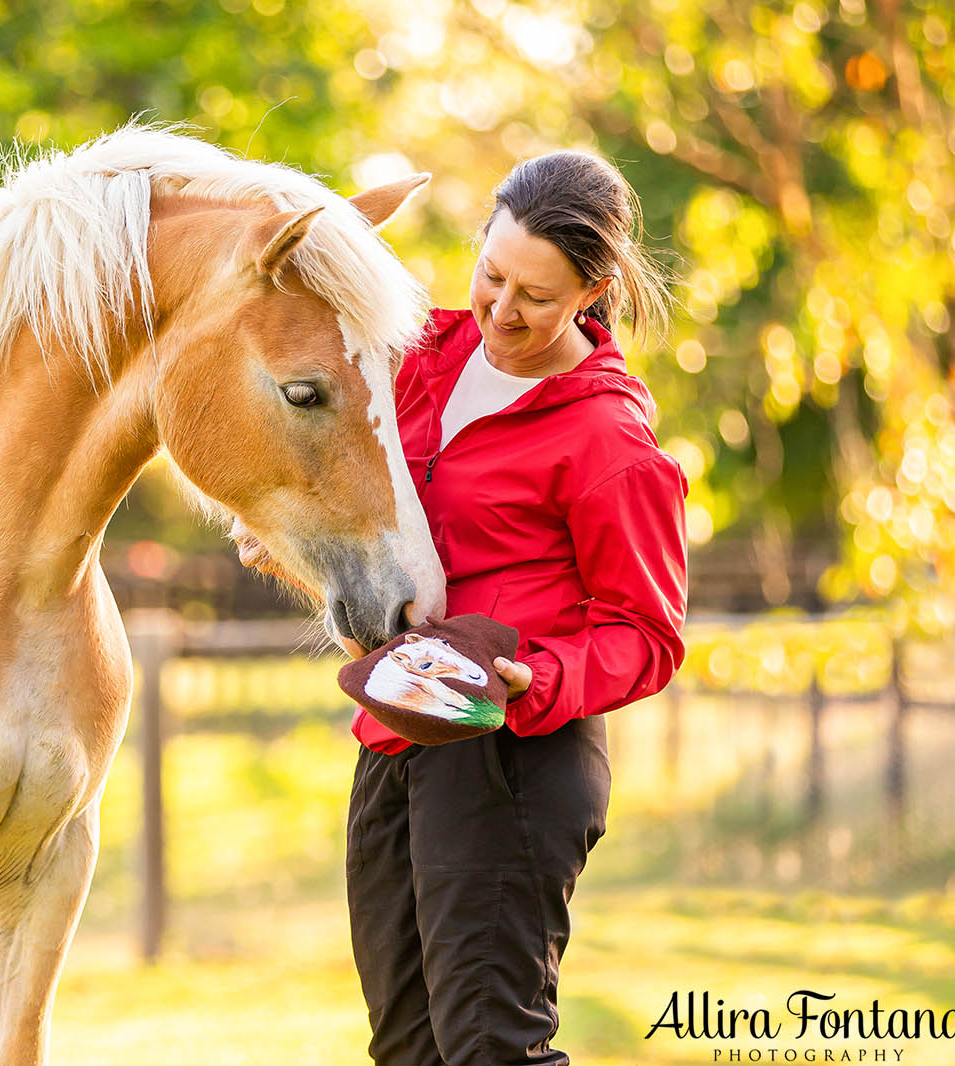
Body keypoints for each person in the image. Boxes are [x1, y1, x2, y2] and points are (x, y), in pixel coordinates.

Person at [238, 150, 688, 1064]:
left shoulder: (606, 437)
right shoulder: (415, 365)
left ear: (590, 292)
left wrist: (540, 677)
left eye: (536, 295)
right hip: (397, 736)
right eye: (492, 274)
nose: (501, 309)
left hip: (512, 754)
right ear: (479, 244)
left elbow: (648, 633)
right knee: (406, 1047)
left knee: (490, 1048)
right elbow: (387, 553)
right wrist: (293, 548)